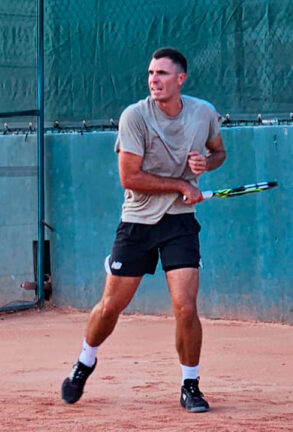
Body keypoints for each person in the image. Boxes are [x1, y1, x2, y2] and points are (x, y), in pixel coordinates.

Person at [60, 47, 227, 412]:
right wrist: (182, 185)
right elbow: (129, 177)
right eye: (151, 73)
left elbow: (218, 152)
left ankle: (190, 384)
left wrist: (206, 163)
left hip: (179, 223)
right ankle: (85, 361)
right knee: (110, 308)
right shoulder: (134, 116)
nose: (154, 79)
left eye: (162, 74)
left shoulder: (202, 113)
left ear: (180, 79)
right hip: (137, 222)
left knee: (185, 306)